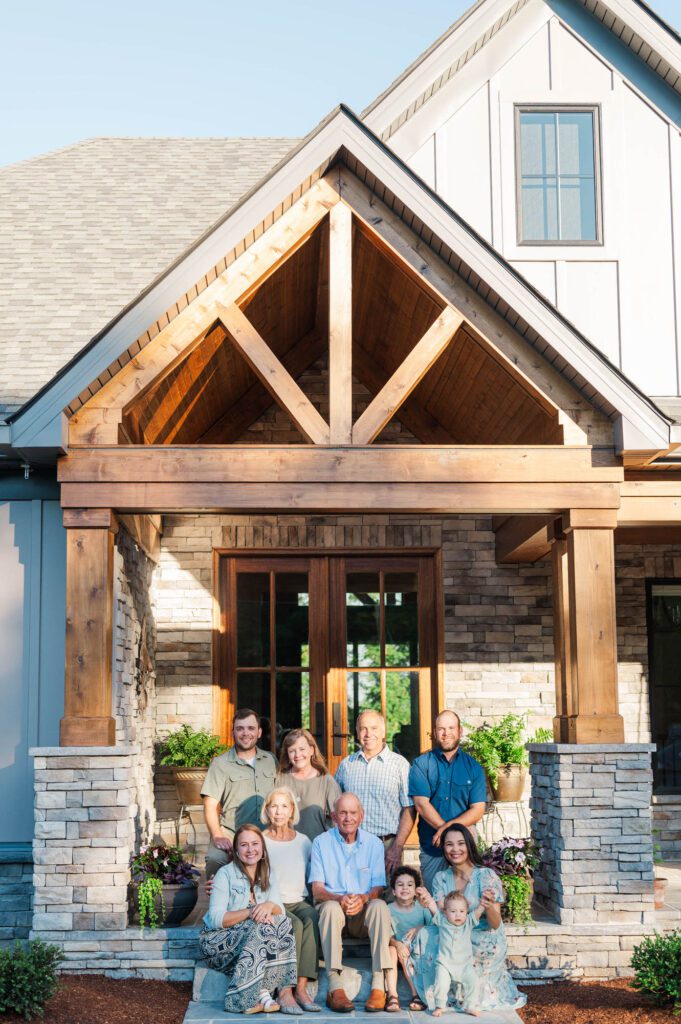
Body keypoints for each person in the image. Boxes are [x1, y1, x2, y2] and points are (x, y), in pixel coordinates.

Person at [412, 824, 526, 1012]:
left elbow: (495, 924)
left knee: (461, 946)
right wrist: (428, 905)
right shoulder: (441, 878)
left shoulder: (486, 875)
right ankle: (436, 993)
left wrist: (488, 907)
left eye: (460, 843)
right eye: (449, 844)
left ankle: (470, 996)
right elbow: (442, 918)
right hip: (453, 933)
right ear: (443, 849)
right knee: (426, 934)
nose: (455, 849)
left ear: (469, 845)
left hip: (482, 934)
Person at [309, 793, 398, 1013]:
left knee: (379, 906)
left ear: (361, 816)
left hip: (362, 913)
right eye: (342, 813)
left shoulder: (374, 844)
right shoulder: (321, 842)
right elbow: (317, 889)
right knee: (329, 908)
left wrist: (364, 898)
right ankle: (335, 985)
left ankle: (379, 984)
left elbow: (378, 887)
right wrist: (339, 898)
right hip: (334, 909)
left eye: (352, 813)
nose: (348, 818)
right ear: (333, 816)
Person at [199, 824, 300, 1014]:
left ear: (262, 848)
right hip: (217, 943)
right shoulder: (225, 874)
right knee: (260, 925)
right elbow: (214, 919)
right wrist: (251, 911)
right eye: (244, 845)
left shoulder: (268, 873)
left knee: (283, 922)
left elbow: (281, 912)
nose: (250, 849)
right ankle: (241, 999)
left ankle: (275, 991)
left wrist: (269, 906)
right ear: (236, 850)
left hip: (250, 941)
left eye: (255, 844)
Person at [408, 710, 486, 891]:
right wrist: (446, 832)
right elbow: (421, 804)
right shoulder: (422, 764)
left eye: (451, 728)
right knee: (435, 900)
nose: (446, 733)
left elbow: (477, 810)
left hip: (465, 847)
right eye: (441, 729)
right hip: (432, 845)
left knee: (468, 899)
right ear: (434, 733)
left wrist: (446, 831)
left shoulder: (473, 767)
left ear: (460, 731)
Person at [261, 786, 322, 1012]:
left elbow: (312, 876)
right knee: (293, 924)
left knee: (311, 917)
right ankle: (284, 990)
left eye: (284, 806)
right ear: (267, 810)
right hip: (272, 901)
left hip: (298, 900)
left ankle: (301, 988)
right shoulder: (260, 840)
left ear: (292, 810)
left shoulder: (304, 841)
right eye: (274, 806)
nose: (279, 811)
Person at [335, 710, 415, 873]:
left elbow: (410, 809)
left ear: (384, 731)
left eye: (374, 728)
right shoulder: (346, 765)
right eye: (363, 729)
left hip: (386, 847)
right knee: (353, 896)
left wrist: (397, 847)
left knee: (387, 897)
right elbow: (336, 808)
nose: (368, 733)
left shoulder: (400, 765)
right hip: (351, 845)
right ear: (357, 733)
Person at [201, 708, 277, 879]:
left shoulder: (271, 760)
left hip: (266, 833)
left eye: (251, 728)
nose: (245, 733)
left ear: (259, 732)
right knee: (215, 859)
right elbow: (210, 805)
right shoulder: (220, 764)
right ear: (233, 732)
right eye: (240, 728)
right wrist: (217, 835)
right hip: (231, 833)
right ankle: (217, 902)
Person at [420, 889, 483, 1017]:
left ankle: (470, 1005)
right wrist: (426, 896)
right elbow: (432, 906)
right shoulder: (442, 921)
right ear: (445, 912)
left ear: (467, 912)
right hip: (445, 963)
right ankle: (439, 1006)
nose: (458, 915)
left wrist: (483, 904)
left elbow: (477, 912)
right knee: (441, 984)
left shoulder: (468, 923)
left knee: (473, 982)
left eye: (461, 911)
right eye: (453, 911)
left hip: (465, 965)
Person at [277, 728, 341, 841]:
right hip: (287, 848)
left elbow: (338, 822)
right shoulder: (280, 780)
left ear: (312, 750)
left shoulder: (326, 781)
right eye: (292, 751)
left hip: (317, 851)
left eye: (302, 749)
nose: (297, 755)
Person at [387, 866, 433, 1012]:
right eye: (400, 885)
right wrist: (397, 944)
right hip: (398, 952)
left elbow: (433, 926)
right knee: (392, 950)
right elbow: (385, 934)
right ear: (394, 891)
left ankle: (416, 994)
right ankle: (392, 995)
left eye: (410, 885)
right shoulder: (388, 909)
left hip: (419, 953)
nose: (405, 888)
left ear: (415, 890)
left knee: (406, 952)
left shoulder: (422, 907)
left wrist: (420, 927)